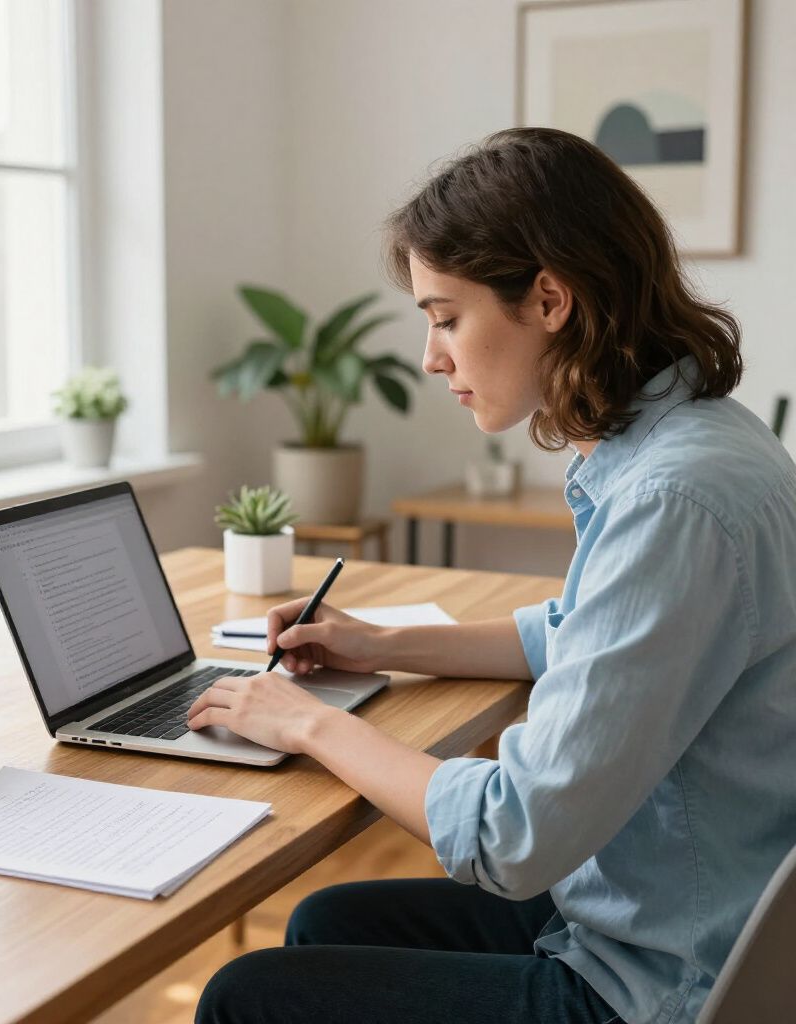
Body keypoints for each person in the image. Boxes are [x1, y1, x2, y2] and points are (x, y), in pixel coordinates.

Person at [187, 128, 796, 1024]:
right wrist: (381, 642)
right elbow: (588, 632)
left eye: (445, 316)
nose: (433, 356)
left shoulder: (675, 499)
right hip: (667, 911)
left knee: (247, 1000)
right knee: (322, 920)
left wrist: (309, 724)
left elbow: (516, 835)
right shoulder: (699, 439)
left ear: (549, 298)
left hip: (660, 984)